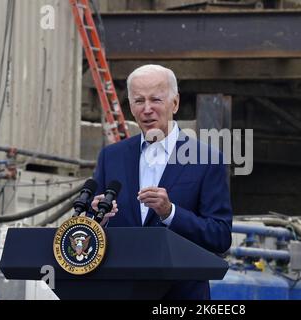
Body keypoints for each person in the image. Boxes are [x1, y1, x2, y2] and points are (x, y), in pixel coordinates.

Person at [92, 64, 232, 300]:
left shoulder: (207, 160)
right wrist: (98, 219)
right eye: (138, 101)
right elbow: (85, 230)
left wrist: (170, 213)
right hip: (119, 292)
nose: (147, 109)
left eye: (156, 99)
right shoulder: (111, 157)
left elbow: (220, 237)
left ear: (174, 103)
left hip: (180, 296)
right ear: (131, 107)